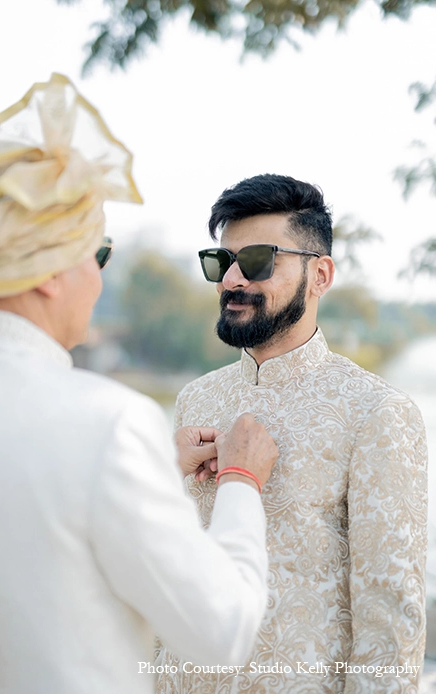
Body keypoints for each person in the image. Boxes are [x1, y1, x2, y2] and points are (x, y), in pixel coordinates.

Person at [0, 76, 279, 694]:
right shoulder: (107, 423)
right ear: (49, 272)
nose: (100, 279)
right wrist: (241, 482)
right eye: (99, 254)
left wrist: (149, 469)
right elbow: (221, 632)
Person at [157, 174, 428, 694]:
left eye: (257, 260)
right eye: (221, 261)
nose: (231, 280)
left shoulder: (376, 412)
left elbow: (392, 619)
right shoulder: (196, 399)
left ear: (320, 275)